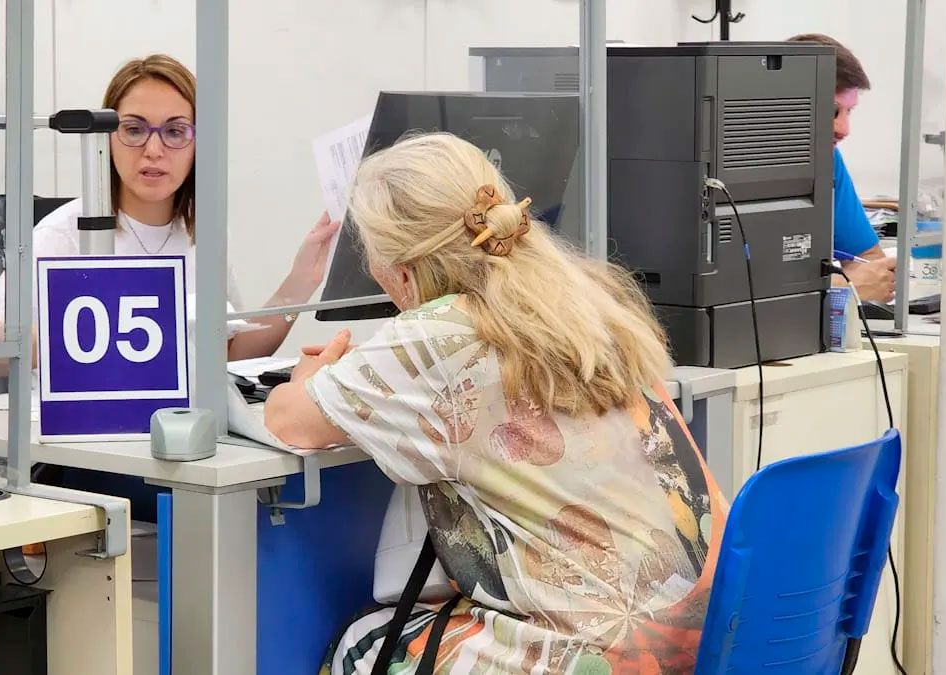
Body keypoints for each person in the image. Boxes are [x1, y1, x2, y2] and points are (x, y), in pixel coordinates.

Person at [265, 133, 728, 673]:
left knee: (364, 644)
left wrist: (309, 377)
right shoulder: (582, 298)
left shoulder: (431, 337)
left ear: (401, 267)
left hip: (606, 656)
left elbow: (290, 421)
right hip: (718, 632)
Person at [0, 53, 338, 377]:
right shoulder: (67, 232)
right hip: (91, 442)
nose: (153, 149)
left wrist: (301, 281)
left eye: (175, 131)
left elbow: (229, 355)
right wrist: (73, 334)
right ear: (106, 137)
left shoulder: (199, 234)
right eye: (134, 129)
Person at [789, 33, 896, 302]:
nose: (844, 129)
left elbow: (870, 263)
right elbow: (737, 284)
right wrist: (843, 287)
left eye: (850, 112)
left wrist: (845, 284)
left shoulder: (828, 160)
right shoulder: (721, 168)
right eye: (833, 111)